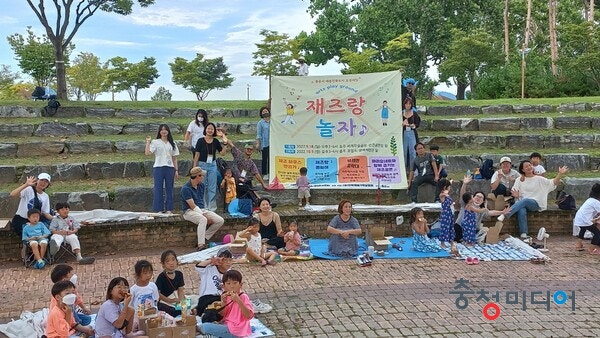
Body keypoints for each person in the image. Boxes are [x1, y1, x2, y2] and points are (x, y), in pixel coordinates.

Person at [497, 160, 569, 238]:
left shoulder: (539, 179)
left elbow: (553, 183)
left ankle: (505, 214)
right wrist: (515, 195)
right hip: (522, 203)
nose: (529, 167)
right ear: (523, 170)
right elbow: (514, 191)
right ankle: (523, 233)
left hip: (535, 203)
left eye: (530, 165)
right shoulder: (519, 180)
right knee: (522, 209)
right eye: (526, 166)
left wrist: (560, 174)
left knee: (525, 200)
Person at [194, 247, 272, 316]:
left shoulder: (230, 273)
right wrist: (211, 261)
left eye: (230, 260)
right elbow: (198, 266)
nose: (228, 262)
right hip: (207, 298)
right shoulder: (209, 269)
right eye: (224, 260)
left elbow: (235, 290)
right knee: (209, 307)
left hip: (222, 299)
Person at [199, 270, 254, 338]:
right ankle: (249, 328)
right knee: (207, 320)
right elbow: (223, 315)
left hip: (236, 330)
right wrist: (223, 303)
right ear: (224, 286)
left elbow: (249, 316)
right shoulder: (226, 296)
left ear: (240, 285)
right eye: (228, 283)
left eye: (235, 283)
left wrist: (239, 301)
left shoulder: (243, 297)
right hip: (228, 323)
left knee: (205, 327)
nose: (232, 286)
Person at [181, 167, 225, 251]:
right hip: (189, 211)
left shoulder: (201, 185)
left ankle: (204, 237)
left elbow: (201, 202)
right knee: (203, 219)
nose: (203, 177)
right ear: (197, 176)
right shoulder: (185, 189)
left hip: (201, 209)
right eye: (202, 176)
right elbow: (192, 206)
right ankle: (200, 244)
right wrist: (204, 214)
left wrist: (204, 212)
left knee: (220, 220)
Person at [193, 122, 228, 212]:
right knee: (202, 185)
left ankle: (212, 208)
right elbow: (197, 155)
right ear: (205, 130)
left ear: (214, 131)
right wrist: (194, 167)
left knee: (212, 187)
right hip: (202, 165)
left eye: (212, 129)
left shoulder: (215, 141)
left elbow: (222, 153)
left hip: (212, 165)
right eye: (208, 128)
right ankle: (203, 206)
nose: (210, 130)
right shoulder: (200, 140)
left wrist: (225, 144)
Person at [145, 124, 179, 213]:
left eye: (165, 129)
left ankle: (169, 209)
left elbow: (174, 158)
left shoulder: (172, 143)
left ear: (168, 131)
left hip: (170, 168)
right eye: (162, 130)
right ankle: (158, 209)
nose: (164, 131)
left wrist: (176, 170)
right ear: (159, 132)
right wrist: (148, 142)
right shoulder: (156, 142)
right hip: (158, 167)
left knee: (169, 188)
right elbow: (147, 153)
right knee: (158, 188)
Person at [223, 139, 269, 205]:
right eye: (248, 149)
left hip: (242, 181)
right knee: (248, 187)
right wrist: (224, 137)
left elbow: (256, 174)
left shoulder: (251, 163)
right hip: (233, 179)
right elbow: (231, 144)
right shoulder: (238, 154)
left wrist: (263, 184)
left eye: (251, 150)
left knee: (249, 183)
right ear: (244, 149)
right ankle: (259, 201)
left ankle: (259, 201)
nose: (249, 151)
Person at [50, 264, 93, 331]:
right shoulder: (56, 301)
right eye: (71, 274)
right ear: (64, 279)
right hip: (64, 318)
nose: (73, 276)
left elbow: (77, 299)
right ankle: (75, 327)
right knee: (77, 325)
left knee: (87, 319)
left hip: (72, 313)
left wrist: (84, 307)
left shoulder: (70, 288)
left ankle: (76, 326)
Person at [10, 173, 53, 238]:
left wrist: (57, 218)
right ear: (37, 180)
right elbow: (13, 194)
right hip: (21, 220)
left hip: (35, 222)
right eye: (41, 180)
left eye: (46, 182)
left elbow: (45, 213)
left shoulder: (45, 196)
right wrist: (26, 185)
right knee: (33, 237)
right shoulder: (28, 189)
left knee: (45, 234)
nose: (43, 183)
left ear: (48, 184)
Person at [155, 250, 185, 317]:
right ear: (163, 264)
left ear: (177, 261)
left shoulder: (179, 274)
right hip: (165, 301)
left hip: (176, 299)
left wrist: (182, 303)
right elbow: (157, 293)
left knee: (194, 301)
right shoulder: (161, 277)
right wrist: (170, 300)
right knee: (172, 311)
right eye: (167, 261)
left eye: (173, 260)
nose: (171, 263)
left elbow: (180, 290)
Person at [574, 183, 600, 254]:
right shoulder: (596, 202)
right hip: (585, 221)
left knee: (583, 228)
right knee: (597, 233)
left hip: (579, 219)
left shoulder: (589, 200)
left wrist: (596, 219)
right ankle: (591, 249)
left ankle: (578, 244)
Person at [437, 179, 458, 254]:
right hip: (445, 215)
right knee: (445, 228)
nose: (450, 188)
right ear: (445, 187)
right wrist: (445, 191)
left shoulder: (447, 194)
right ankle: (442, 243)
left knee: (451, 228)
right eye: (449, 186)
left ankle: (451, 241)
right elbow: (443, 194)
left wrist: (450, 183)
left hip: (451, 214)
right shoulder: (442, 195)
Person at [402, 98, 421, 172]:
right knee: (404, 152)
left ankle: (413, 171)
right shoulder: (401, 113)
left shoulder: (414, 113)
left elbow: (417, 123)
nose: (408, 105)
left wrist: (412, 125)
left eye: (409, 104)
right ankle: (403, 171)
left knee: (413, 152)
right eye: (406, 104)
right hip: (403, 133)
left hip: (412, 133)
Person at [255, 106, 271, 178]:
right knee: (265, 159)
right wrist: (258, 143)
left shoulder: (272, 121)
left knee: (271, 158)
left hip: (273, 143)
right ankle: (265, 174)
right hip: (265, 143)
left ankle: (271, 173)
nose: (265, 112)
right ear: (261, 114)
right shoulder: (260, 123)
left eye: (266, 111)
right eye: (263, 112)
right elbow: (259, 134)